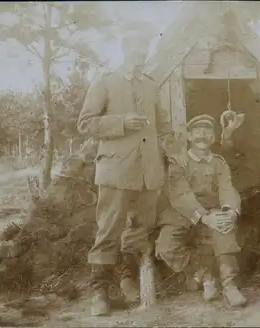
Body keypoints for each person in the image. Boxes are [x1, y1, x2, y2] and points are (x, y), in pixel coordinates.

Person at [77, 31, 185, 316]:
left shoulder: (150, 86)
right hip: (116, 170)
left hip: (149, 173)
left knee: (139, 229)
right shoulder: (106, 81)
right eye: (136, 47)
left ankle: (128, 281)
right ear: (125, 47)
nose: (141, 52)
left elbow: (162, 126)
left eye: (144, 47)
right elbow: (85, 123)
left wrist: (176, 152)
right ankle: (98, 292)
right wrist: (122, 122)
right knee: (109, 229)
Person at [155, 114, 248, 307]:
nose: (202, 136)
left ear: (213, 137)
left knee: (225, 224)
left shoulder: (219, 162)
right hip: (183, 211)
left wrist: (230, 212)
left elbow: (227, 188)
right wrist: (205, 218)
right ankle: (205, 277)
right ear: (189, 136)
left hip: (213, 208)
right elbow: (181, 195)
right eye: (197, 132)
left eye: (206, 131)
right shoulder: (179, 162)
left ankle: (229, 285)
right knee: (166, 246)